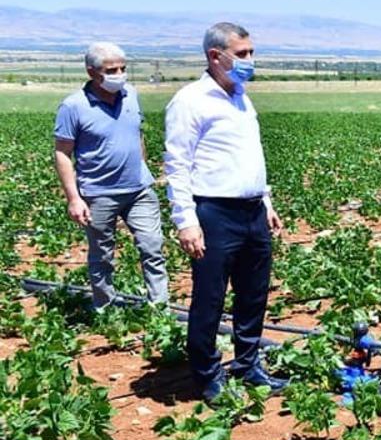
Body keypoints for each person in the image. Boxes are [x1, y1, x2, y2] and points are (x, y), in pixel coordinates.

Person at [164, 22, 286, 401]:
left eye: (252, 52)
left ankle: (248, 365)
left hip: (251, 211)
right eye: (243, 53)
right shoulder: (190, 101)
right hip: (214, 212)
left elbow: (249, 157)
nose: (251, 60)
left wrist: (265, 201)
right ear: (216, 56)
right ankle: (206, 373)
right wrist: (186, 221)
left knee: (253, 294)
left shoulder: (241, 96)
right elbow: (177, 165)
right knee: (210, 297)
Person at [53, 43, 168, 309]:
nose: (119, 75)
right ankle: (104, 308)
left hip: (139, 189)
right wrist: (74, 198)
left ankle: (159, 310)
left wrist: (142, 166)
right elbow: (62, 154)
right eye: (111, 70)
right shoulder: (73, 106)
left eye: (123, 68)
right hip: (98, 192)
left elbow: (137, 133)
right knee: (102, 256)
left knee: (152, 248)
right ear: (92, 72)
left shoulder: (131, 95)